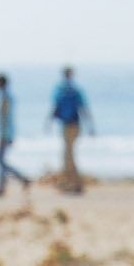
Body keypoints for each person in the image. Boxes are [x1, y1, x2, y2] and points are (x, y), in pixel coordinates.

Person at [49, 66, 94, 194]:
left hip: (68, 124)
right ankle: (71, 182)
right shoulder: (75, 90)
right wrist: (90, 126)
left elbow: (55, 107)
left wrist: (49, 122)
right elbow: (83, 108)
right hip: (74, 124)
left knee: (68, 154)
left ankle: (74, 182)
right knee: (68, 153)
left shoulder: (61, 90)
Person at [0, 73, 29, 196]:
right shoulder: (7, 97)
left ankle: (19, 179)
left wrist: (2, 136)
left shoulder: (5, 98)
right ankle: (4, 185)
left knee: (1, 161)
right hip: (7, 133)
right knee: (1, 160)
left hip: (5, 134)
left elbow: (4, 118)